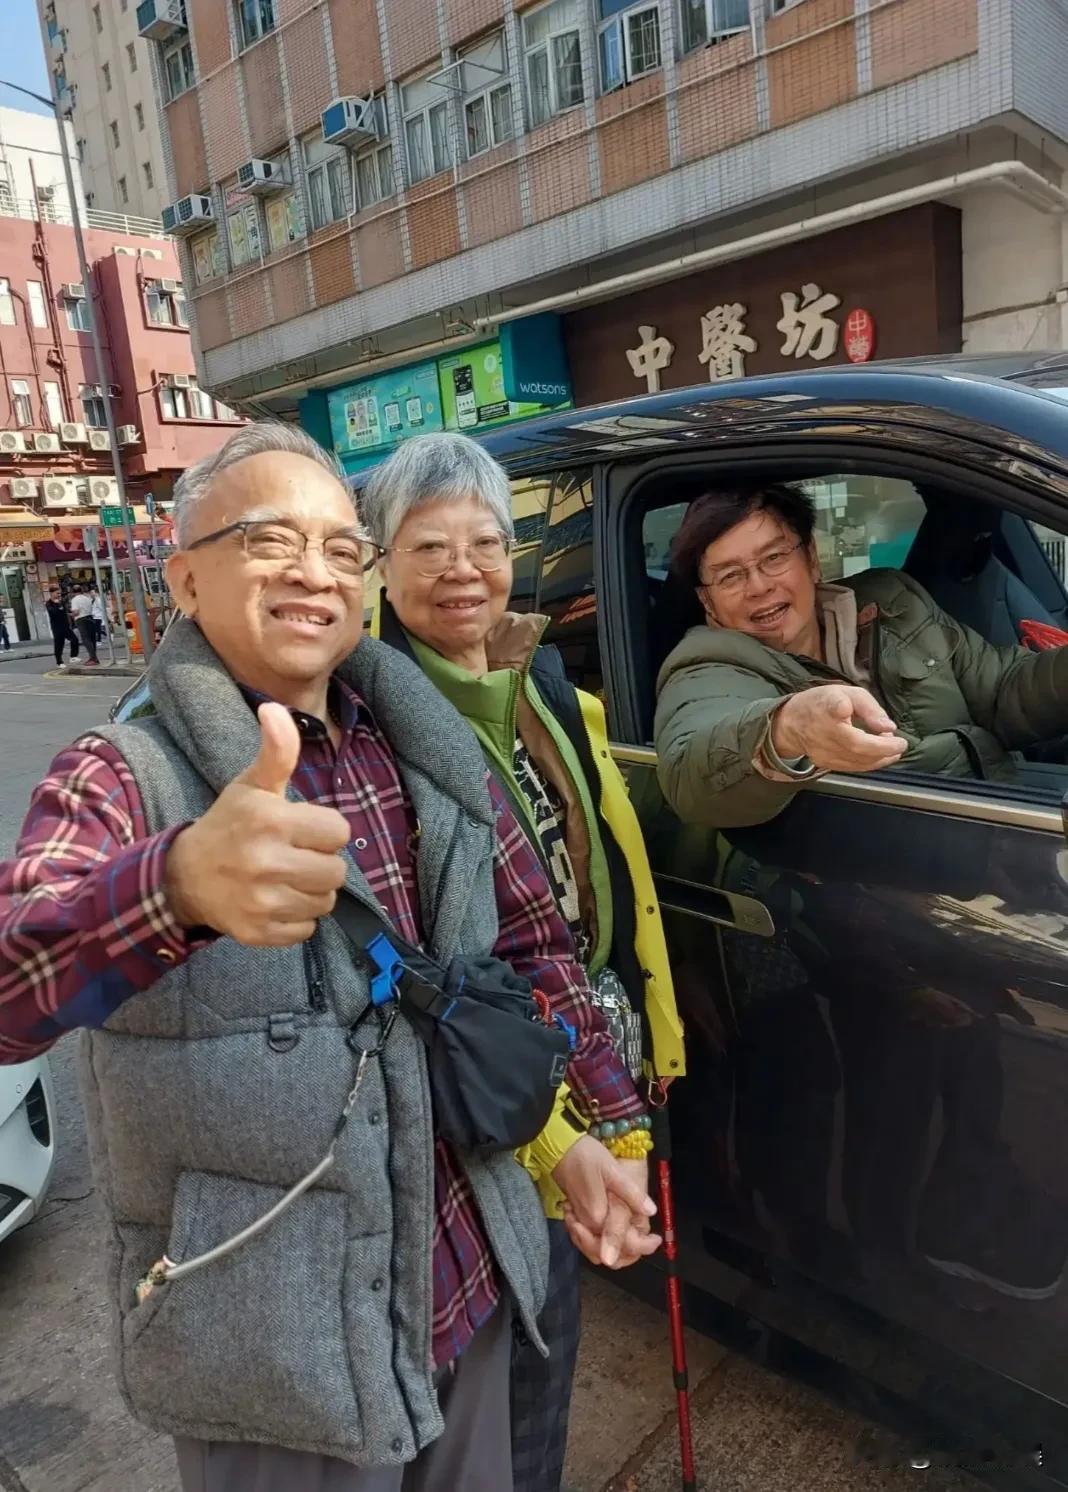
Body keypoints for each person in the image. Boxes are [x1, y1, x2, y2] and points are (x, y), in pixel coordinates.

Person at [0, 423, 660, 1492]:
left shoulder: (422, 742)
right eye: (271, 540)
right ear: (187, 579)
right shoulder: (121, 772)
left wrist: (582, 1124)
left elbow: (530, 943)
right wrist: (171, 887)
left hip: (465, 1269)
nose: (315, 570)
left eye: (341, 548)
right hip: (275, 1332)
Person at [361, 433, 685, 1492]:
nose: (463, 567)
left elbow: (600, 890)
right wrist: (559, 1135)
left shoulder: (540, 679)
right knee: (492, 1371)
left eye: (485, 540)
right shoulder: (367, 723)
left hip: (577, 1048)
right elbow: (431, 963)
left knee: (546, 1347)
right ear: (378, 562)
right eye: (428, 545)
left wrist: (642, 1071)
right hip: (480, 1098)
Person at [655, 482, 1068, 829]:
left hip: (1009, 812)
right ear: (708, 603)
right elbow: (689, 773)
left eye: (774, 558)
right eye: (730, 576)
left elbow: (1000, 691)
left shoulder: (893, 600)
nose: (759, 586)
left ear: (812, 560)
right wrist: (786, 729)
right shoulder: (704, 665)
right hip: (896, 881)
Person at [45, 585, 78, 668]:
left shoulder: (62, 601)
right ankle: (59, 662)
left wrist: (71, 613)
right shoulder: (49, 603)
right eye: (57, 593)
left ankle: (73, 656)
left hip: (65, 626)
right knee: (59, 645)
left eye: (60, 593)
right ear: (52, 593)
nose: (59, 595)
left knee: (74, 639)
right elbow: (53, 613)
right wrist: (57, 605)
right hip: (57, 627)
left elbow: (64, 611)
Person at [69, 584, 100, 666]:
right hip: (90, 618)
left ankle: (93, 658)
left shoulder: (74, 600)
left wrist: (71, 615)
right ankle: (94, 658)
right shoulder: (87, 598)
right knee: (92, 639)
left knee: (86, 639)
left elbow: (76, 612)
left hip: (81, 620)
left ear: (73, 592)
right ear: (81, 590)